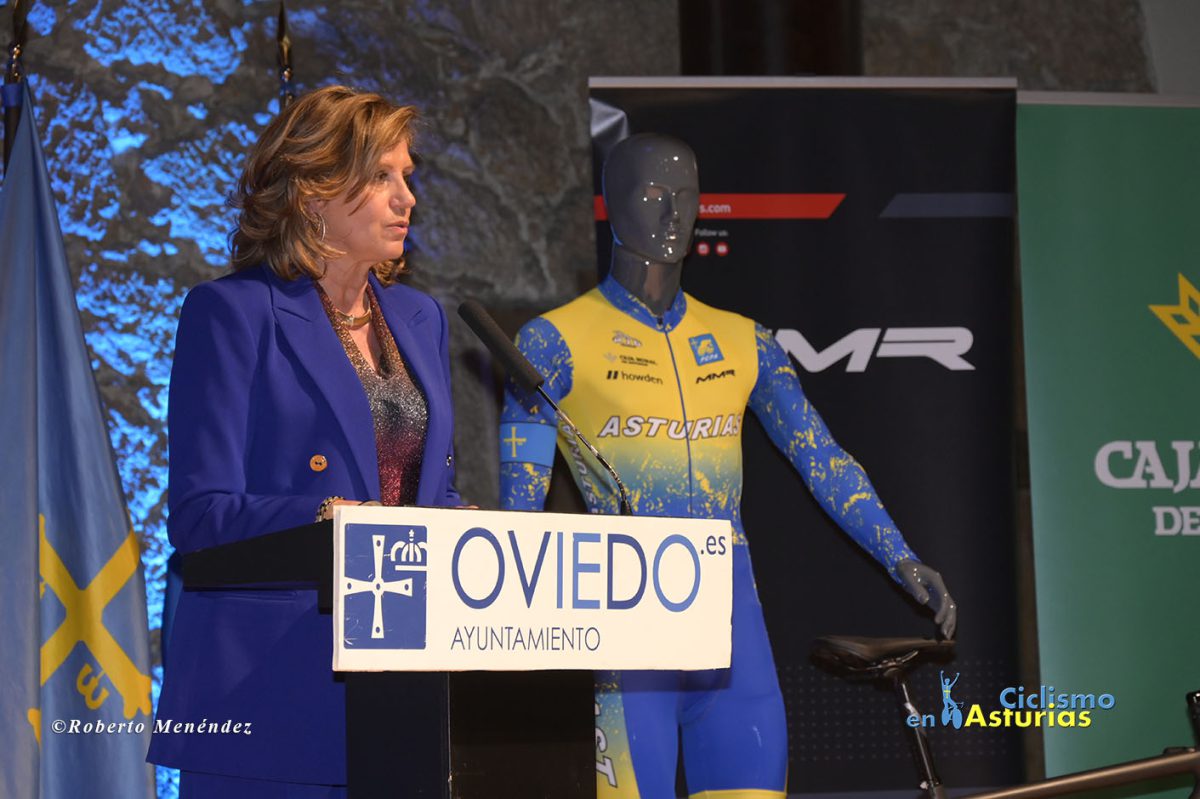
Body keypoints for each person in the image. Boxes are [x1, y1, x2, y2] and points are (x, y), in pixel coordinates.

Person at [499, 133, 956, 799]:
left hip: (733, 632)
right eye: (653, 194)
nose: (673, 213)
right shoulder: (551, 342)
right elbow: (520, 514)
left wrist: (900, 556)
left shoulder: (746, 341)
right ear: (612, 204)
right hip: (624, 632)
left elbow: (823, 458)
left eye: (686, 196)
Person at [149, 85, 460, 797]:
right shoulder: (231, 314)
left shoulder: (421, 319)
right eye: (381, 176)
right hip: (267, 693)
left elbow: (428, 492)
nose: (407, 197)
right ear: (314, 190)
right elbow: (200, 515)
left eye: (407, 175)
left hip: (404, 689)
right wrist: (327, 519)